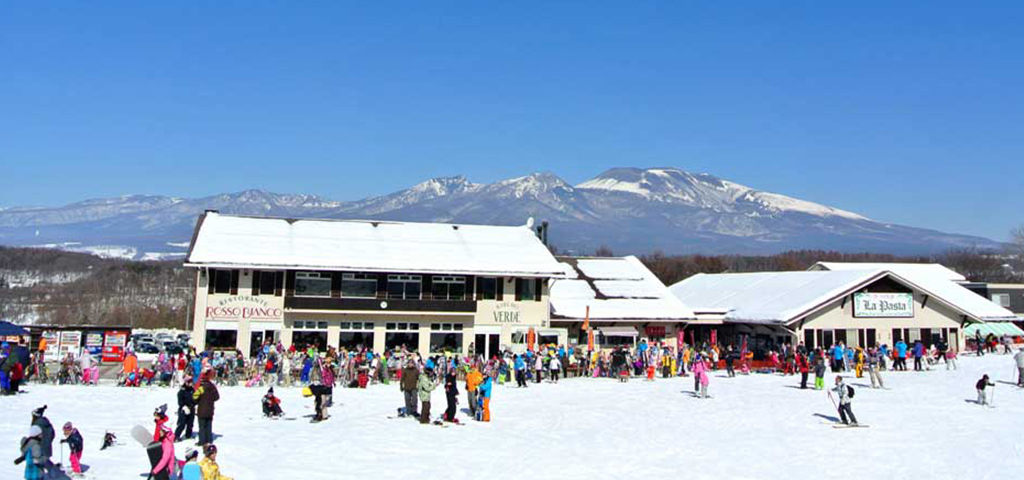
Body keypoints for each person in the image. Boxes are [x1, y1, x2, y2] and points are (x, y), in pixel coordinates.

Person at [193, 370, 220, 447]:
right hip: (210, 409)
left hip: (201, 409)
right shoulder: (212, 387)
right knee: (209, 425)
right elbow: (217, 397)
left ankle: (202, 441)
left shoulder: (201, 388)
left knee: (202, 427)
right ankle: (209, 439)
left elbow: (195, 398)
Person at [152, 409, 177, 480]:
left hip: (166, 471)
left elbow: (165, 459)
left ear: (165, 432)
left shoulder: (167, 444)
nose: (159, 432)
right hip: (165, 471)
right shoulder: (165, 441)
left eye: (161, 430)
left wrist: (155, 470)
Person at [30, 406, 55, 471]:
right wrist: (48, 442)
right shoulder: (47, 423)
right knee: (47, 465)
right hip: (47, 449)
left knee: (39, 468)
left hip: (39, 450)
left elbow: (31, 439)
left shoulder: (37, 425)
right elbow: (53, 434)